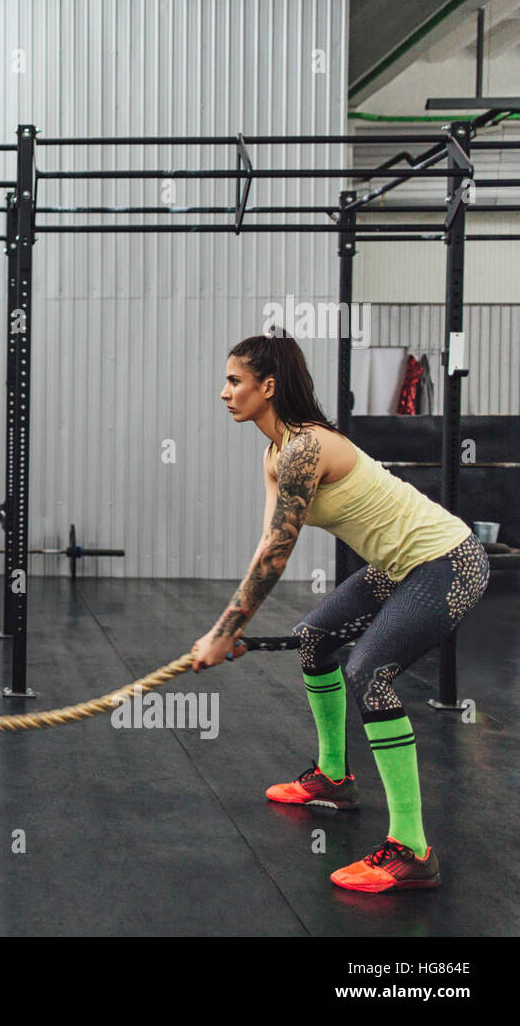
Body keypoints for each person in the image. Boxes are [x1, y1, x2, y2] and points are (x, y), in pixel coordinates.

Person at [190, 332, 489, 893]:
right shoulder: (277, 452)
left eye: (235, 381)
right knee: (314, 640)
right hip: (399, 566)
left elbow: (278, 554)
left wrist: (224, 629)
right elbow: (267, 545)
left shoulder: (305, 447)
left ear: (268, 386)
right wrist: (233, 627)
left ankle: (412, 850)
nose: (224, 392)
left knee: (368, 671)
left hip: (449, 561)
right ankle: (333, 776)